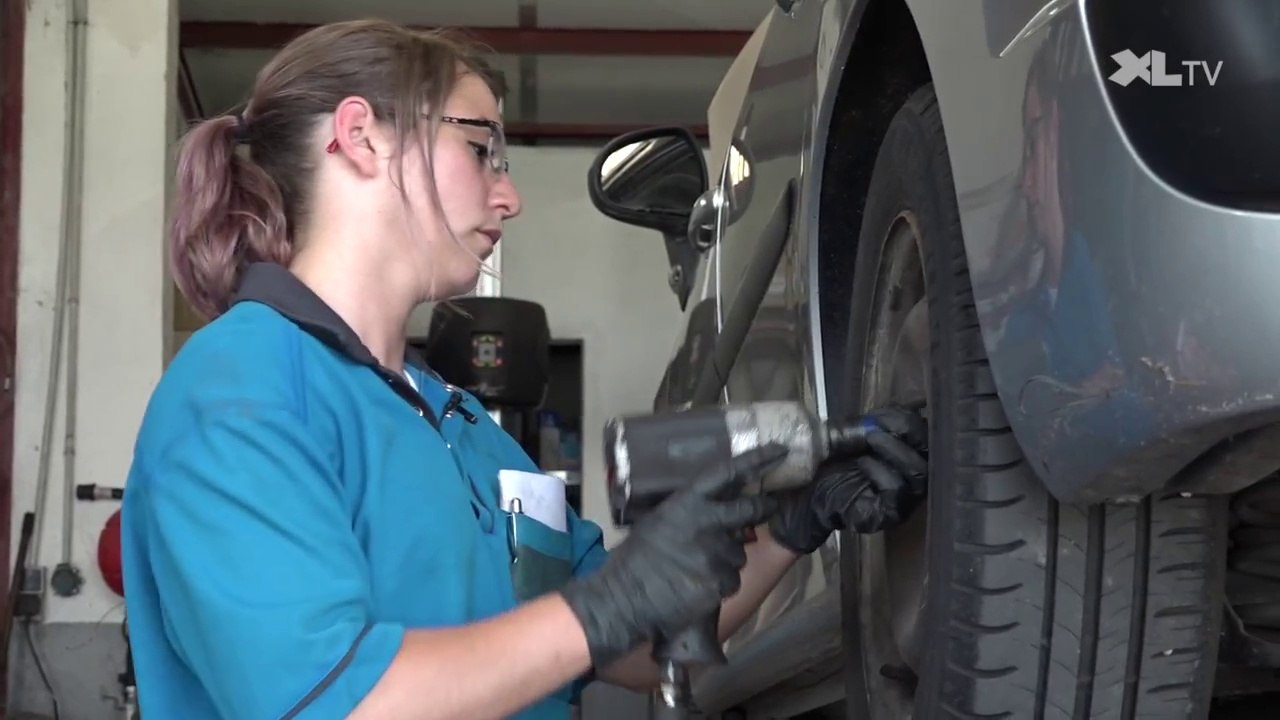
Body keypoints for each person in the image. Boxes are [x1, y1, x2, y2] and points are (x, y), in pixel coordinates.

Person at [119, 19, 929, 720]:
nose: (509, 197)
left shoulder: (466, 433)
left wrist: (795, 524)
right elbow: (339, 702)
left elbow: (634, 646)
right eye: (481, 149)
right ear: (360, 137)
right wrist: (602, 606)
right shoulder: (240, 390)